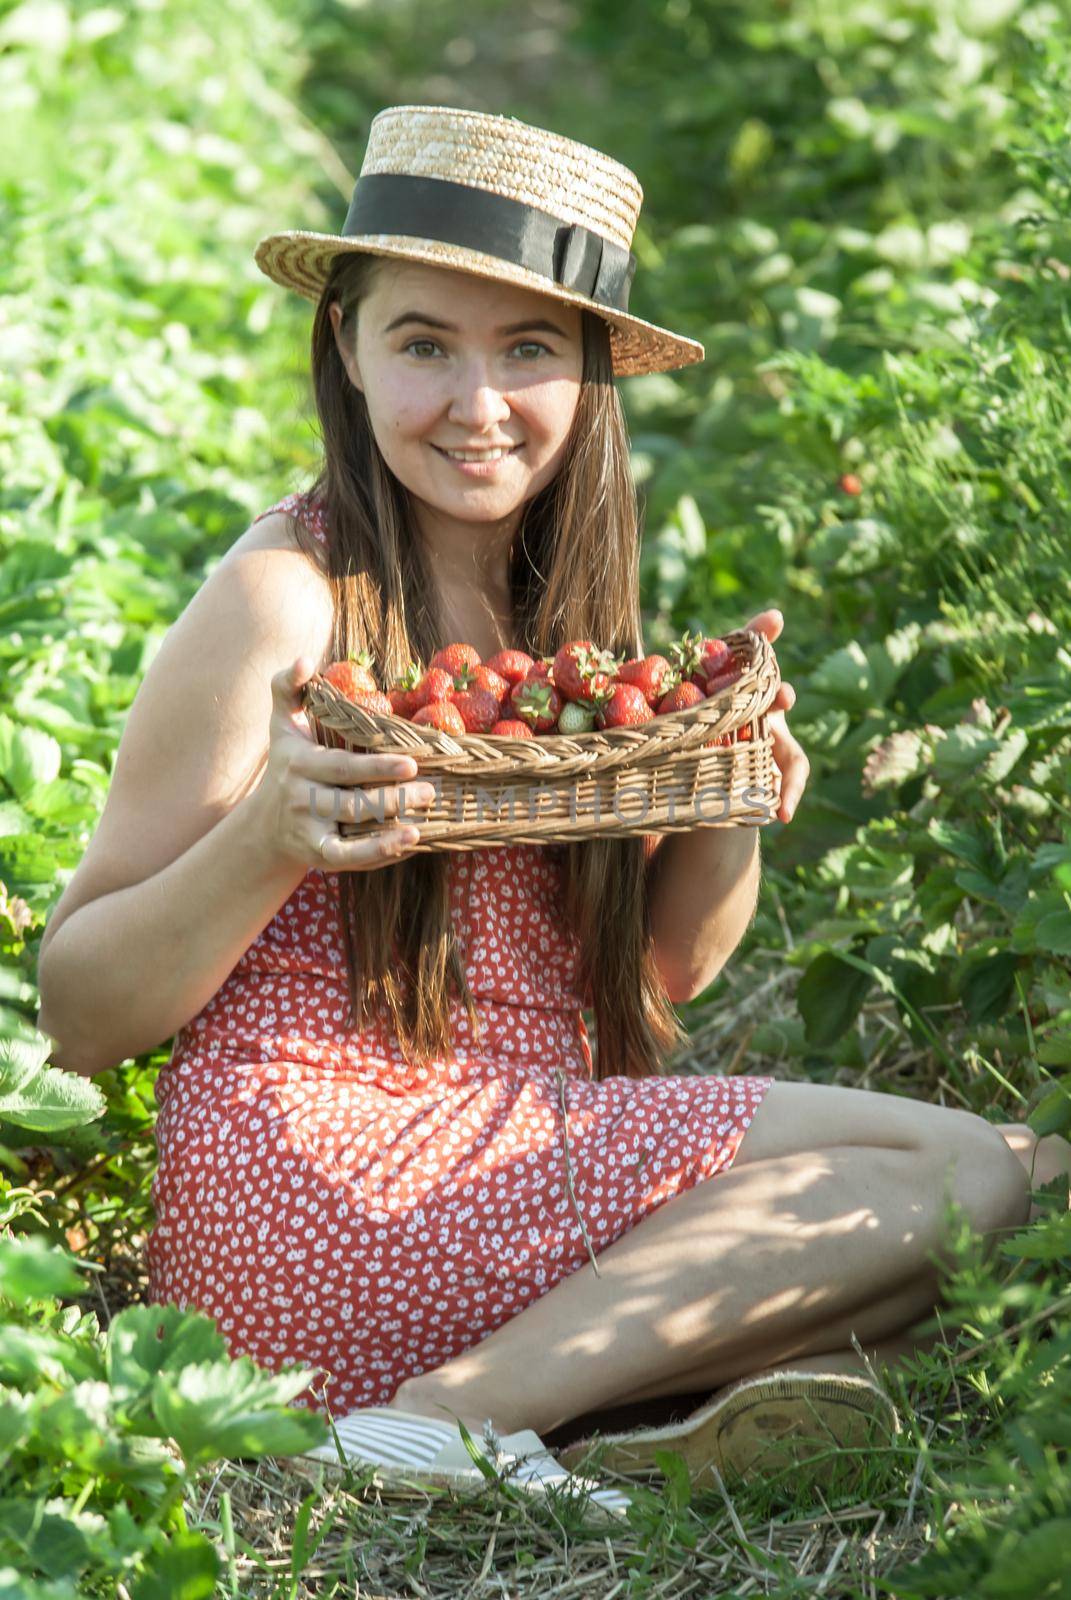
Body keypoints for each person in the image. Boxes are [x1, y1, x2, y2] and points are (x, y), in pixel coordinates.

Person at [34, 105, 1067, 1504]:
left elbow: (655, 980)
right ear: (344, 346)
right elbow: (81, 1016)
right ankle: (454, 1417)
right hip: (318, 1190)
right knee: (973, 1178)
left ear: (590, 374)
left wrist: (726, 792)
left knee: (1002, 1183)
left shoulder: (563, 618)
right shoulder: (284, 597)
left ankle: (584, 1416)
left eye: (528, 348)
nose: (478, 403)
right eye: (423, 344)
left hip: (498, 1157)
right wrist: (267, 839)